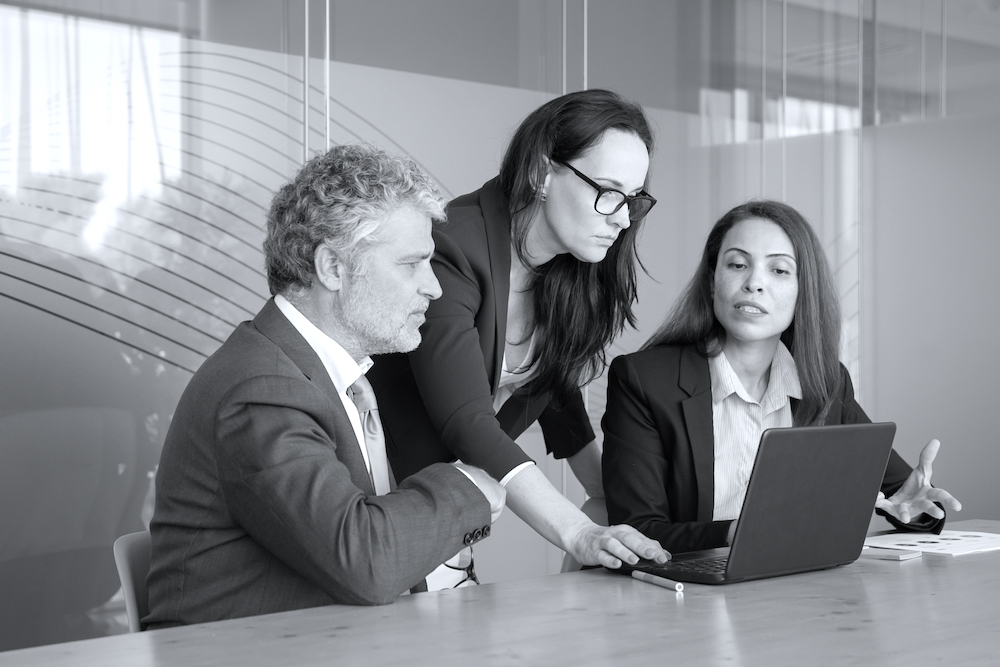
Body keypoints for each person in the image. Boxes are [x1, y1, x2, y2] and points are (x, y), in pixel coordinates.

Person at [144, 144, 505, 628]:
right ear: (332, 268)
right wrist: (470, 487)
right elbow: (367, 561)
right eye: (411, 264)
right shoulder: (262, 389)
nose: (434, 288)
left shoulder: (332, 376)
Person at [368, 89, 668, 571]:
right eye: (608, 192)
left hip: (446, 508)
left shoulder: (570, 267)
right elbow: (467, 419)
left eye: (634, 199)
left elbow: (556, 387)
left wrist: (607, 492)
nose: (624, 217)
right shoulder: (453, 247)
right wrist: (579, 531)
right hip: (378, 502)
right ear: (542, 173)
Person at [602, 199, 961, 555]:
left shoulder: (826, 383)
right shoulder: (645, 380)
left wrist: (916, 511)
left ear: (802, 291)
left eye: (779, 270)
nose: (754, 282)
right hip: (685, 595)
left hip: (797, 592)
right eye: (737, 264)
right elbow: (637, 530)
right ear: (712, 281)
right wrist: (735, 534)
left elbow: (904, 495)